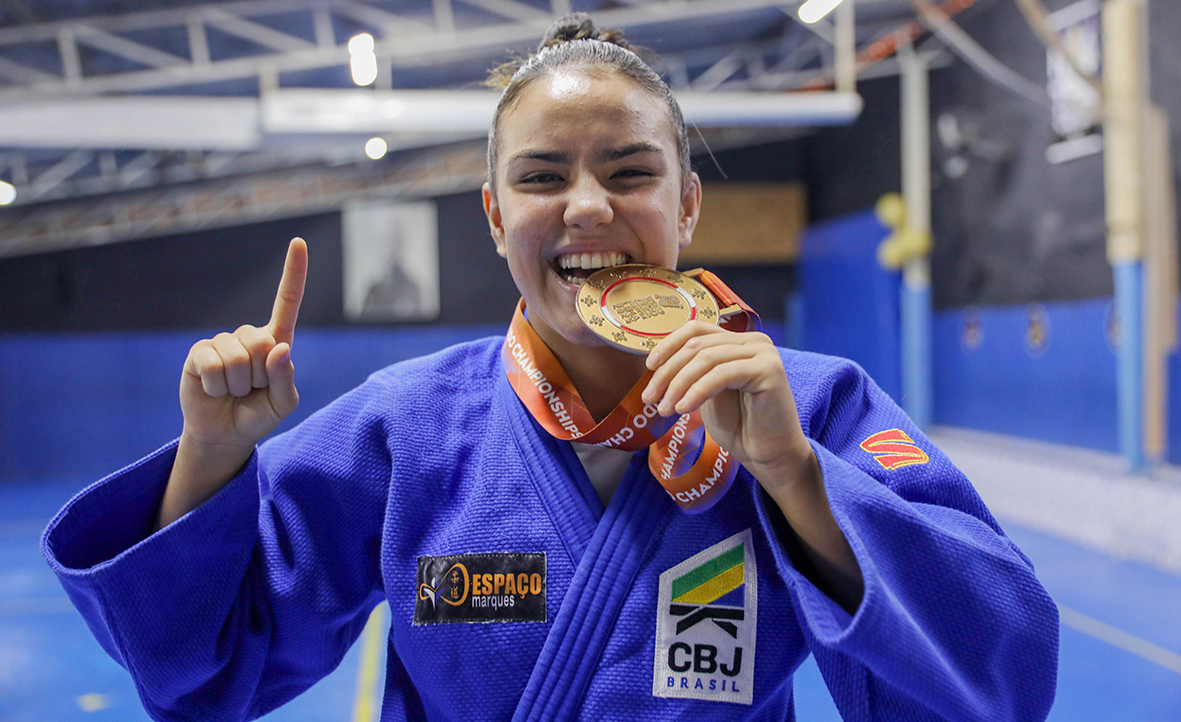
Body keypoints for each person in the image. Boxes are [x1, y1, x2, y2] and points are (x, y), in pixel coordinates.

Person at [42, 13, 1058, 722]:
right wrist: (210, 457)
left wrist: (795, 478)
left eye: (630, 171)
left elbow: (998, 677)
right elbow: (203, 672)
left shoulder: (811, 408)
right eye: (539, 176)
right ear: (495, 217)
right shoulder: (403, 429)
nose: (586, 206)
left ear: (685, 205)